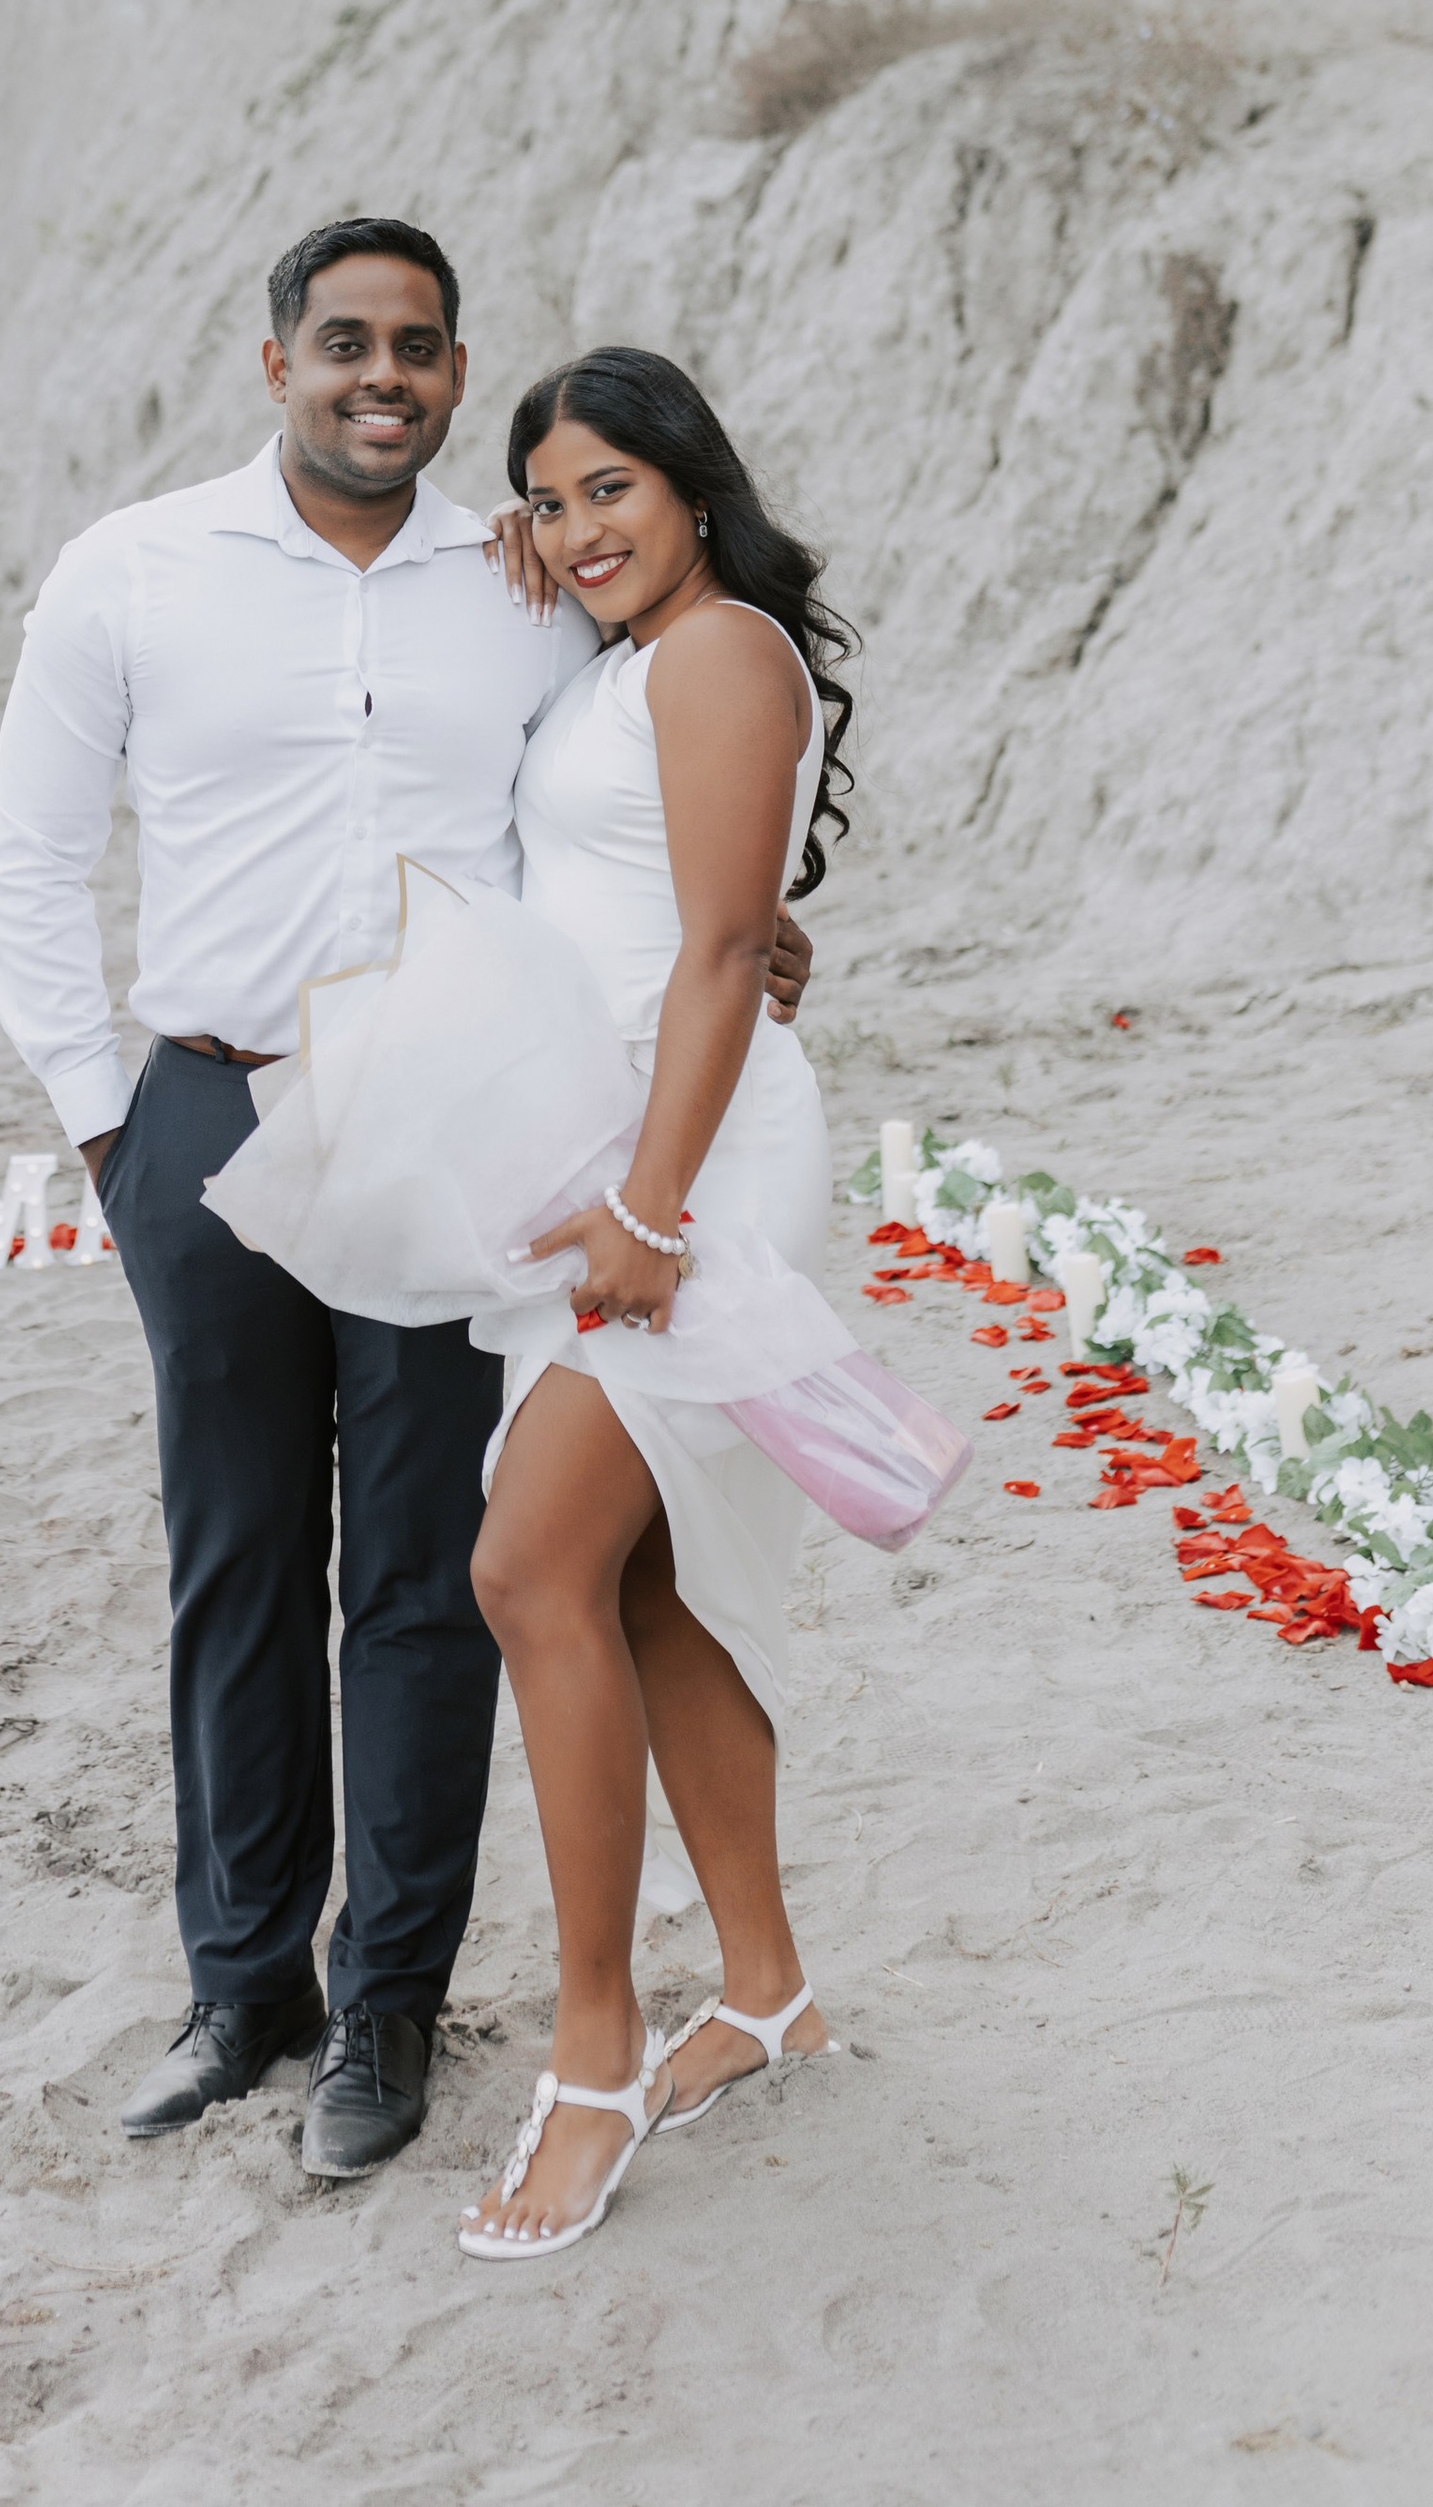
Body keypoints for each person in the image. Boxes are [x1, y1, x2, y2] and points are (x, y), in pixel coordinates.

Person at [0, 227, 813, 2178]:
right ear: (273, 358)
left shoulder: (521, 585)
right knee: (234, 1557)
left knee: (430, 1577)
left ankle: (388, 2005)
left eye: (418, 348)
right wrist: (106, 1130)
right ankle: (241, 1986)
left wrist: (760, 943)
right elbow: (28, 858)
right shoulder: (131, 571)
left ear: (449, 374)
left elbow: (662, 811)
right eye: (344, 341)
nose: (382, 375)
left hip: (455, 1134)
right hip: (209, 1115)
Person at [455, 345, 856, 2262]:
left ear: (695, 481)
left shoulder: (721, 655)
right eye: (549, 500)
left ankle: (596, 2051)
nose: (576, 529)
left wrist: (650, 1208)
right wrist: (522, 557)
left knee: (528, 1568)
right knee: (647, 1585)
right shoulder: (632, 654)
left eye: (610, 486)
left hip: (688, 1172)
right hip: (616, 1156)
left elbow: (717, 950)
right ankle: (766, 1990)